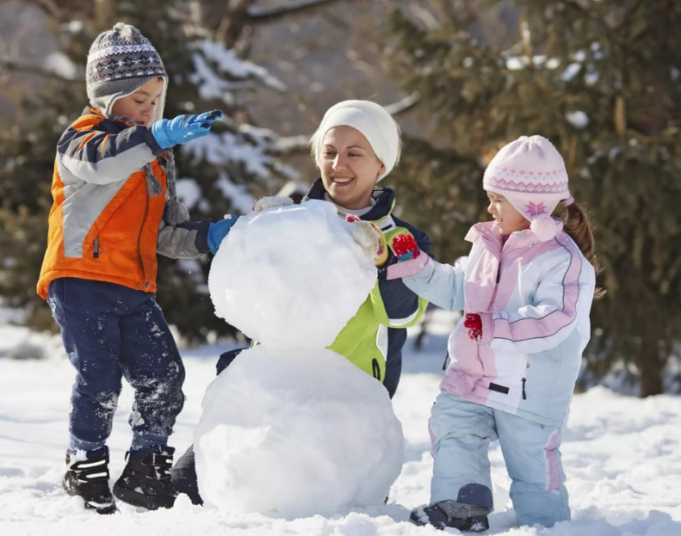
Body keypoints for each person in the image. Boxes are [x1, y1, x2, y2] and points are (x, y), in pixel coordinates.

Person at [171, 99, 432, 505]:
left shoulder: (404, 240)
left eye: (354, 153)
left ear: (381, 165)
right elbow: (248, 295)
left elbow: (404, 314)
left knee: (322, 507)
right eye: (329, 152)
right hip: (270, 392)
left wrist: (382, 260)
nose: (338, 164)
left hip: (345, 402)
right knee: (188, 488)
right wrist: (257, 236)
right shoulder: (292, 220)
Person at [36, 23, 236, 514]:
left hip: (134, 284)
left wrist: (213, 236)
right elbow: (104, 164)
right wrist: (156, 136)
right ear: (107, 98)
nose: (149, 110)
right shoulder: (81, 140)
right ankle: (85, 463)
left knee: (164, 376)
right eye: (137, 99)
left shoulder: (155, 158)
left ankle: (146, 467)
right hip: (80, 278)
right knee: (99, 376)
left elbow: (167, 232)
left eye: (155, 101)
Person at [388, 135, 601, 531]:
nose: (490, 207)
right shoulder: (488, 244)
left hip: (529, 394)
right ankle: (460, 507)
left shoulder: (562, 262)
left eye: (498, 199)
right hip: (473, 378)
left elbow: (554, 319)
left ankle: (548, 526)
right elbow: (458, 288)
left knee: (533, 470)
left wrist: (493, 328)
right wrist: (417, 266)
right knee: (453, 431)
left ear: (530, 204)